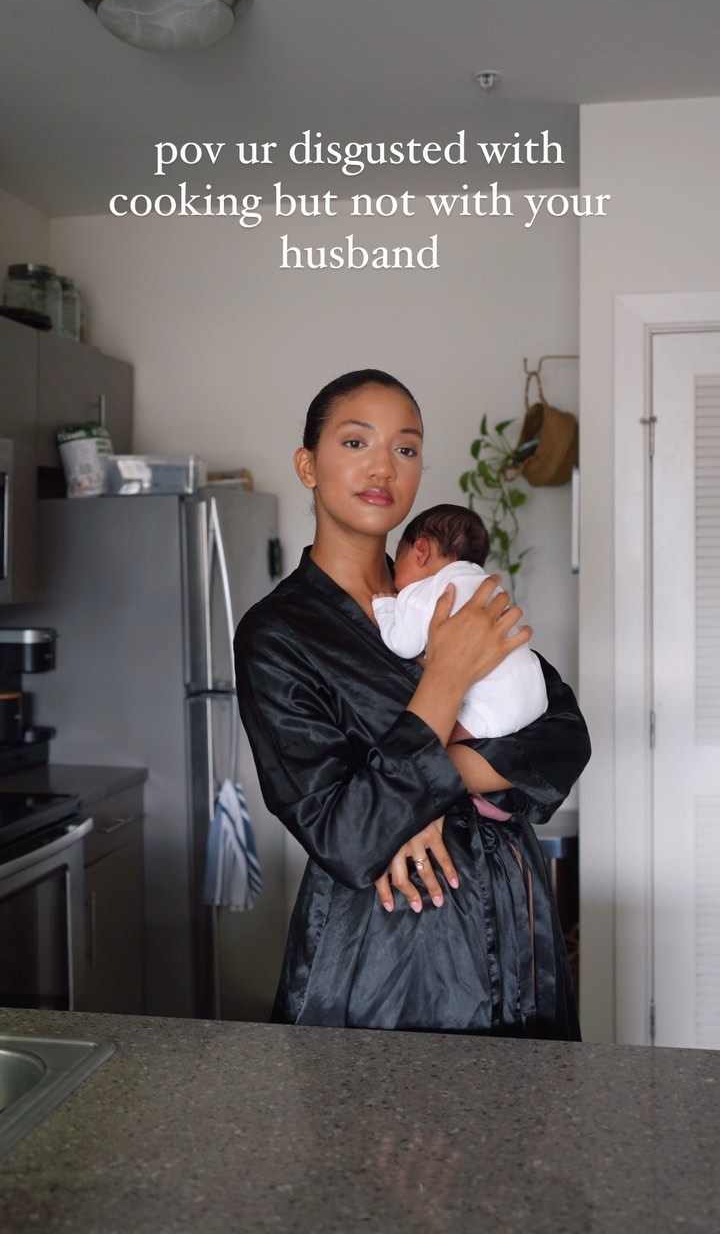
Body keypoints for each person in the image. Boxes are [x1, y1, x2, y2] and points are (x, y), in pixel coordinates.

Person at [234, 368, 591, 1037]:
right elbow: (346, 835)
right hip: (387, 957)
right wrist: (445, 678)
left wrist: (419, 790)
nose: (383, 467)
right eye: (355, 442)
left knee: (529, 1103)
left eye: (405, 448)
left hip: (517, 927)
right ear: (307, 465)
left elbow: (564, 735)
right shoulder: (279, 634)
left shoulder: (453, 590)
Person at [372, 502, 548, 825]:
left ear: (420, 551)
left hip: (493, 707)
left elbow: (403, 643)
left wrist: (384, 607)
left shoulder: (419, 593)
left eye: (398, 563)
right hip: (537, 695)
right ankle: (507, 793)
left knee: (437, 744)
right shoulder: (485, 585)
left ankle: (485, 800)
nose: (396, 576)